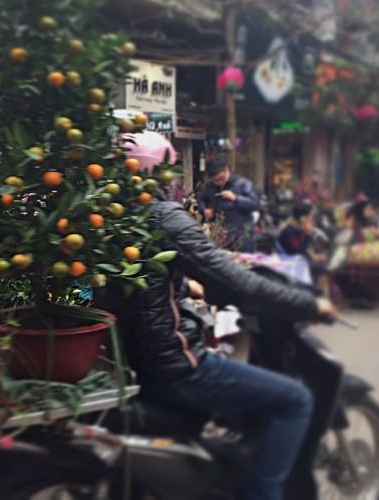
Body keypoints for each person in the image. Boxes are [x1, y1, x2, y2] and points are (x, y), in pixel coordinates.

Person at [96, 134, 336, 500]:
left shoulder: (106, 216)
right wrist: (308, 305)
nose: (172, 182)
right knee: (296, 400)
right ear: (154, 172)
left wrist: (179, 285)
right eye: (167, 173)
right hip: (175, 368)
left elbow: (137, 282)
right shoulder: (162, 216)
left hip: (130, 363)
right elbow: (238, 284)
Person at [197, 154, 260, 253]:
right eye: (215, 180)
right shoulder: (210, 186)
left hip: (243, 232)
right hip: (221, 233)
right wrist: (204, 209)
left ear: (226, 170)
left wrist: (236, 198)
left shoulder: (243, 183)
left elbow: (255, 204)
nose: (219, 182)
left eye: (221, 178)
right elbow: (201, 200)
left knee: (245, 264)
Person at [278, 203, 327, 285]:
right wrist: (307, 235)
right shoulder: (290, 232)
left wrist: (315, 256)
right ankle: (316, 291)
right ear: (302, 218)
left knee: (324, 261)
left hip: (299, 258)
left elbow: (306, 248)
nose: (312, 218)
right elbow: (299, 253)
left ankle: (314, 288)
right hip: (292, 261)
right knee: (321, 268)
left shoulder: (298, 228)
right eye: (310, 215)